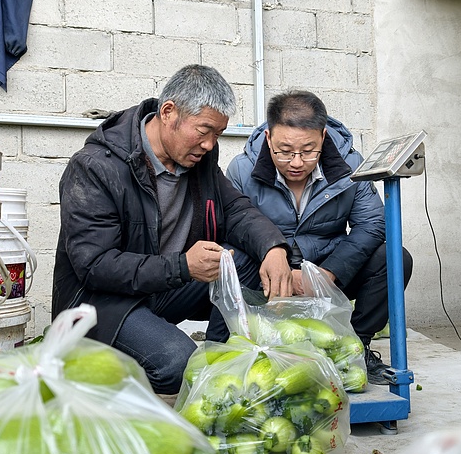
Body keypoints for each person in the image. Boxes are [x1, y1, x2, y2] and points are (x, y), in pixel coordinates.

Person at [52, 65, 293, 395]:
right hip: (101, 303)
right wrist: (183, 266)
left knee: (246, 263)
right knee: (176, 363)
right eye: (204, 131)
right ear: (168, 112)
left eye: (217, 135)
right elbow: (94, 265)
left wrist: (273, 248)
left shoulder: (198, 159)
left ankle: (221, 371)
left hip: (159, 287)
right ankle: (97, 384)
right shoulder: (96, 166)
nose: (210, 145)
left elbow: (236, 210)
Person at [226, 90, 414, 385]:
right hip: (269, 272)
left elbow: (373, 224)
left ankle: (356, 344)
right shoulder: (242, 169)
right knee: (227, 256)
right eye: (284, 151)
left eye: (308, 151)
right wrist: (276, 261)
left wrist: (328, 273)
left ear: (323, 137)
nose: (297, 162)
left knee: (394, 258)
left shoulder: (350, 166)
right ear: (268, 139)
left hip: (330, 269)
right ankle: (241, 343)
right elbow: (233, 226)